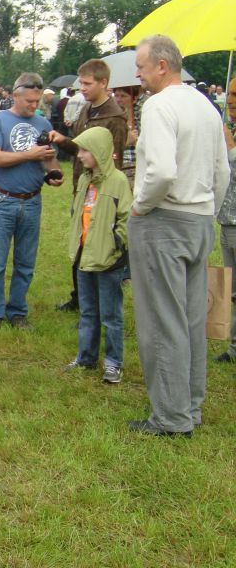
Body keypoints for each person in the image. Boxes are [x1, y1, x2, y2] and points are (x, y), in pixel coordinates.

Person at [127, 35, 230, 437]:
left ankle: (171, 418)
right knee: (190, 321)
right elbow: (222, 170)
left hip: (163, 219)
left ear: (162, 66)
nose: (137, 72)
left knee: (161, 322)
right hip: (200, 220)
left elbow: (162, 171)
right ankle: (189, 408)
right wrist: (207, 210)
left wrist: (142, 206)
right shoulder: (205, 106)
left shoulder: (159, 105)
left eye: (141, 65)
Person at [0, 73, 65, 332]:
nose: (34, 105)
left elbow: (48, 160)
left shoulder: (42, 123)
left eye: (37, 100)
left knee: (25, 262)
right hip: (3, 199)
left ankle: (17, 312)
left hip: (31, 200)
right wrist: (29, 154)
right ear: (16, 95)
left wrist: (53, 172)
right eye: (29, 100)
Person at [49, 59, 128, 313]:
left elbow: (110, 160)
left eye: (87, 83)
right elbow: (83, 148)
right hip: (81, 186)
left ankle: (94, 303)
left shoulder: (115, 117)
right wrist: (63, 141)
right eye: (80, 83)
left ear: (103, 83)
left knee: (98, 246)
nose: (81, 88)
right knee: (79, 242)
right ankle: (79, 297)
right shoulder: (86, 109)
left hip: (101, 193)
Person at [62, 127, 131, 383]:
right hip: (84, 257)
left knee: (111, 316)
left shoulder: (118, 182)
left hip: (108, 261)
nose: (79, 155)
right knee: (88, 312)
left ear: (99, 152)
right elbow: (77, 213)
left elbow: (126, 218)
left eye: (84, 150)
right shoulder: (84, 180)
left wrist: (116, 244)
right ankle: (86, 358)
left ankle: (114, 363)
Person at [213, 125, 236, 363]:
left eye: (235, 96)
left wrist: (230, 148)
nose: (230, 101)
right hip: (227, 221)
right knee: (233, 291)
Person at [112, 85, 145, 190]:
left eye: (123, 96)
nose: (119, 99)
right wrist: (126, 141)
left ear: (134, 98)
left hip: (139, 165)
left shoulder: (141, 116)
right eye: (116, 95)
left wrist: (137, 140)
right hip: (120, 164)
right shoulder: (114, 119)